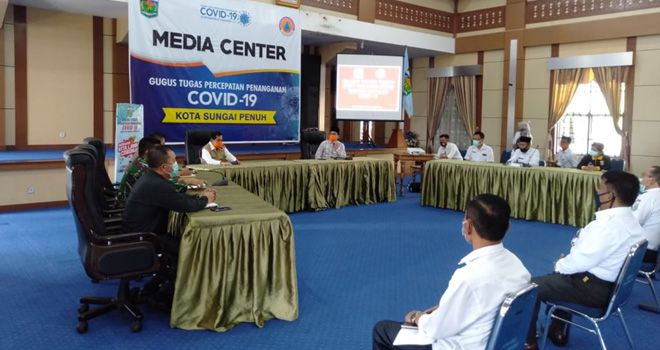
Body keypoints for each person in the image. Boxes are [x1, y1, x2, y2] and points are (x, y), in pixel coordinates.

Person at [373, 194, 531, 350]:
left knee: (382, 330)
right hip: (495, 343)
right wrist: (443, 308)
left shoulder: (468, 277)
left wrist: (417, 317)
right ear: (508, 227)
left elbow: (435, 329)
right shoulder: (519, 267)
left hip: (461, 345)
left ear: (468, 226)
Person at [524, 171, 644, 350]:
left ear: (609, 196)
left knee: (527, 289)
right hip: (613, 290)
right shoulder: (632, 222)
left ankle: (528, 342)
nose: (596, 192)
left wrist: (560, 264)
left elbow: (578, 262)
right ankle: (557, 329)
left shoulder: (607, 226)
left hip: (592, 289)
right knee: (562, 277)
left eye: (599, 189)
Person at [122, 146, 217, 307]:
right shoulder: (157, 185)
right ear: (164, 167)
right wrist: (205, 199)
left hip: (141, 232)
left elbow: (177, 199)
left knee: (177, 245)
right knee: (188, 251)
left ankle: (153, 289)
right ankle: (162, 297)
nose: (176, 165)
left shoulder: (151, 178)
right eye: (173, 161)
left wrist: (199, 198)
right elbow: (186, 205)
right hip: (144, 238)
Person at [117, 136, 161, 201]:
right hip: (128, 207)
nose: (161, 154)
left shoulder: (139, 161)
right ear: (147, 152)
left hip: (132, 203)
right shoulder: (144, 168)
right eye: (158, 151)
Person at [633, 166, 660, 263]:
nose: (642, 179)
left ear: (652, 179)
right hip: (654, 252)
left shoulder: (647, 197)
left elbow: (633, 222)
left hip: (640, 251)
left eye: (644, 175)